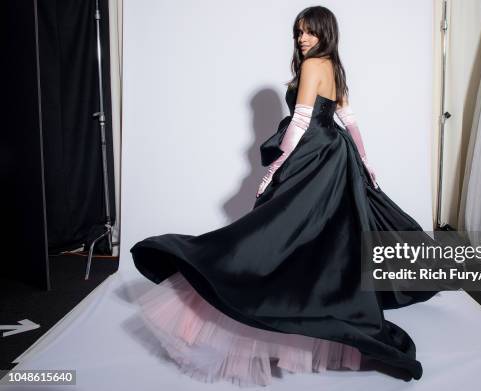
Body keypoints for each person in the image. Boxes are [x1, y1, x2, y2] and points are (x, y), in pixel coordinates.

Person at [131, 5, 446, 387]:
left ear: (324, 32)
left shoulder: (314, 65)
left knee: (284, 230)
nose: (302, 38)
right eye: (299, 32)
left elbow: (300, 121)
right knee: (322, 234)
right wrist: (363, 160)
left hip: (313, 152)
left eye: (309, 32)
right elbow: (349, 120)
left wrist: (274, 168)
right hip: (336, 152)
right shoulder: (335, 66)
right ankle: (311, 297)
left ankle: (266, 291)